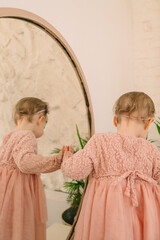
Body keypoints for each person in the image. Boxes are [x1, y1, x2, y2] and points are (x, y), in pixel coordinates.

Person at [61, 91, 160, 240]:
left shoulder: (100, 141)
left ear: (115, 120)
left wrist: (67, 156)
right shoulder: (152, 150)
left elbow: (74, 170)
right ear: (149, 122)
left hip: (106, 220)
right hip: (142, 221)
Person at [0, 97, 71, 240]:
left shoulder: (9, 136)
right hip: (18, 192)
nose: (43, 129)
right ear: (40, 119)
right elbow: (26, 163)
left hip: (5, 191)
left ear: (17, 119)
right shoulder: (28, 136)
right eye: (44, 126)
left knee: (9, 224)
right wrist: (56, 160)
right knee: (22, 223)